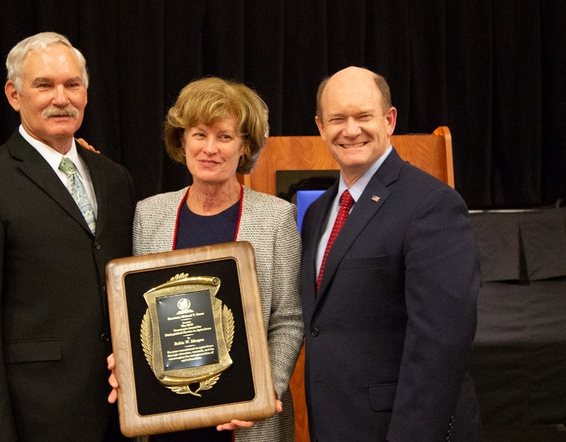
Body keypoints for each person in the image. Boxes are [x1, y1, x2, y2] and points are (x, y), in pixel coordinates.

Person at [0, 32, 135, 441]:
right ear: (14, 94)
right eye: (44, 85)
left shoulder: (115, 179)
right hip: (34, 418)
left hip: (119, 415)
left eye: (72, 85)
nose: (60, 97)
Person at [109, 77, 303, 441]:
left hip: (244, 424)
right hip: (165, 419)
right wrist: (126, 357)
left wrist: (264, 392)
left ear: (245, 146)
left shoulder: (277, 218)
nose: (209, 148)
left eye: (225, 136)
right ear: (182, 140)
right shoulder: (149, 214)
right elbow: (135, 314)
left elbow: (289, 321)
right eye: (199, 134)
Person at [299, 66, 481, 440]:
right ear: (320, 127)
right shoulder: (318, 213)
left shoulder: (432, 205)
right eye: (337, 119)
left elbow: (441, 343)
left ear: (389, 119)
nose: (351, 130)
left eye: (363, 116)